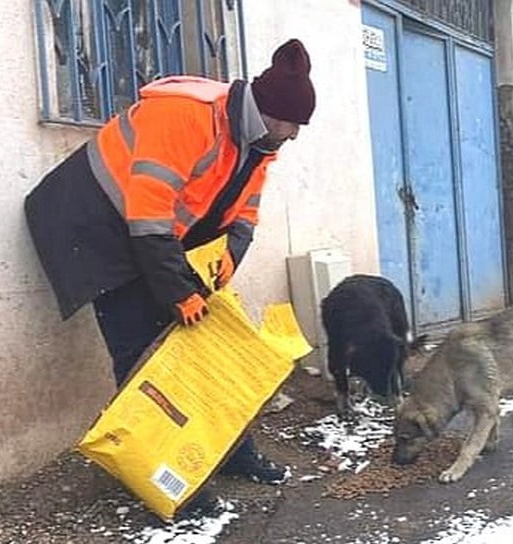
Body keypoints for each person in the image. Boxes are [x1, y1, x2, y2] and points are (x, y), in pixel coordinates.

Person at [25, 39, 316, 485]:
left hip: (149, 236)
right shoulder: (187, 115)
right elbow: (147, 213)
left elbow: (245, 210)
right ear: (271, 113)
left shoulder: (258, 142)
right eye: (294, 125)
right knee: (142, 352)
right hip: (90, 223)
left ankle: (232, 452)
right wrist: (178, 291)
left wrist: (229, 256)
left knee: (206, 345)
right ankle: (165, 476)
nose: (295, 135)